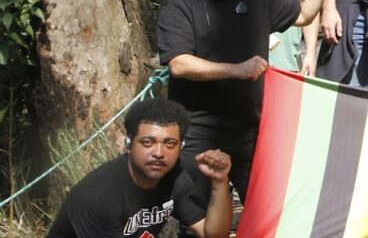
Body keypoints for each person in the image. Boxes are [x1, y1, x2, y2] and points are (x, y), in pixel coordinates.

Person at [157, 0, 334, 203]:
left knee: (266, 210)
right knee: (200, 220)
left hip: (251, 128)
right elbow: (179, 63)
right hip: (198, 129)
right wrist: (237, 69)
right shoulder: (180, 0)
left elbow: (303, 15)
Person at [48, 99, 232, 238]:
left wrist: (219, 181)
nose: (159, 153)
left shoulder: (175, 179)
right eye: (147, 142)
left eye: (170, 143)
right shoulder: (98, 197)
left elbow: (213, 235)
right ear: (129, 143)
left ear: (180, 146)